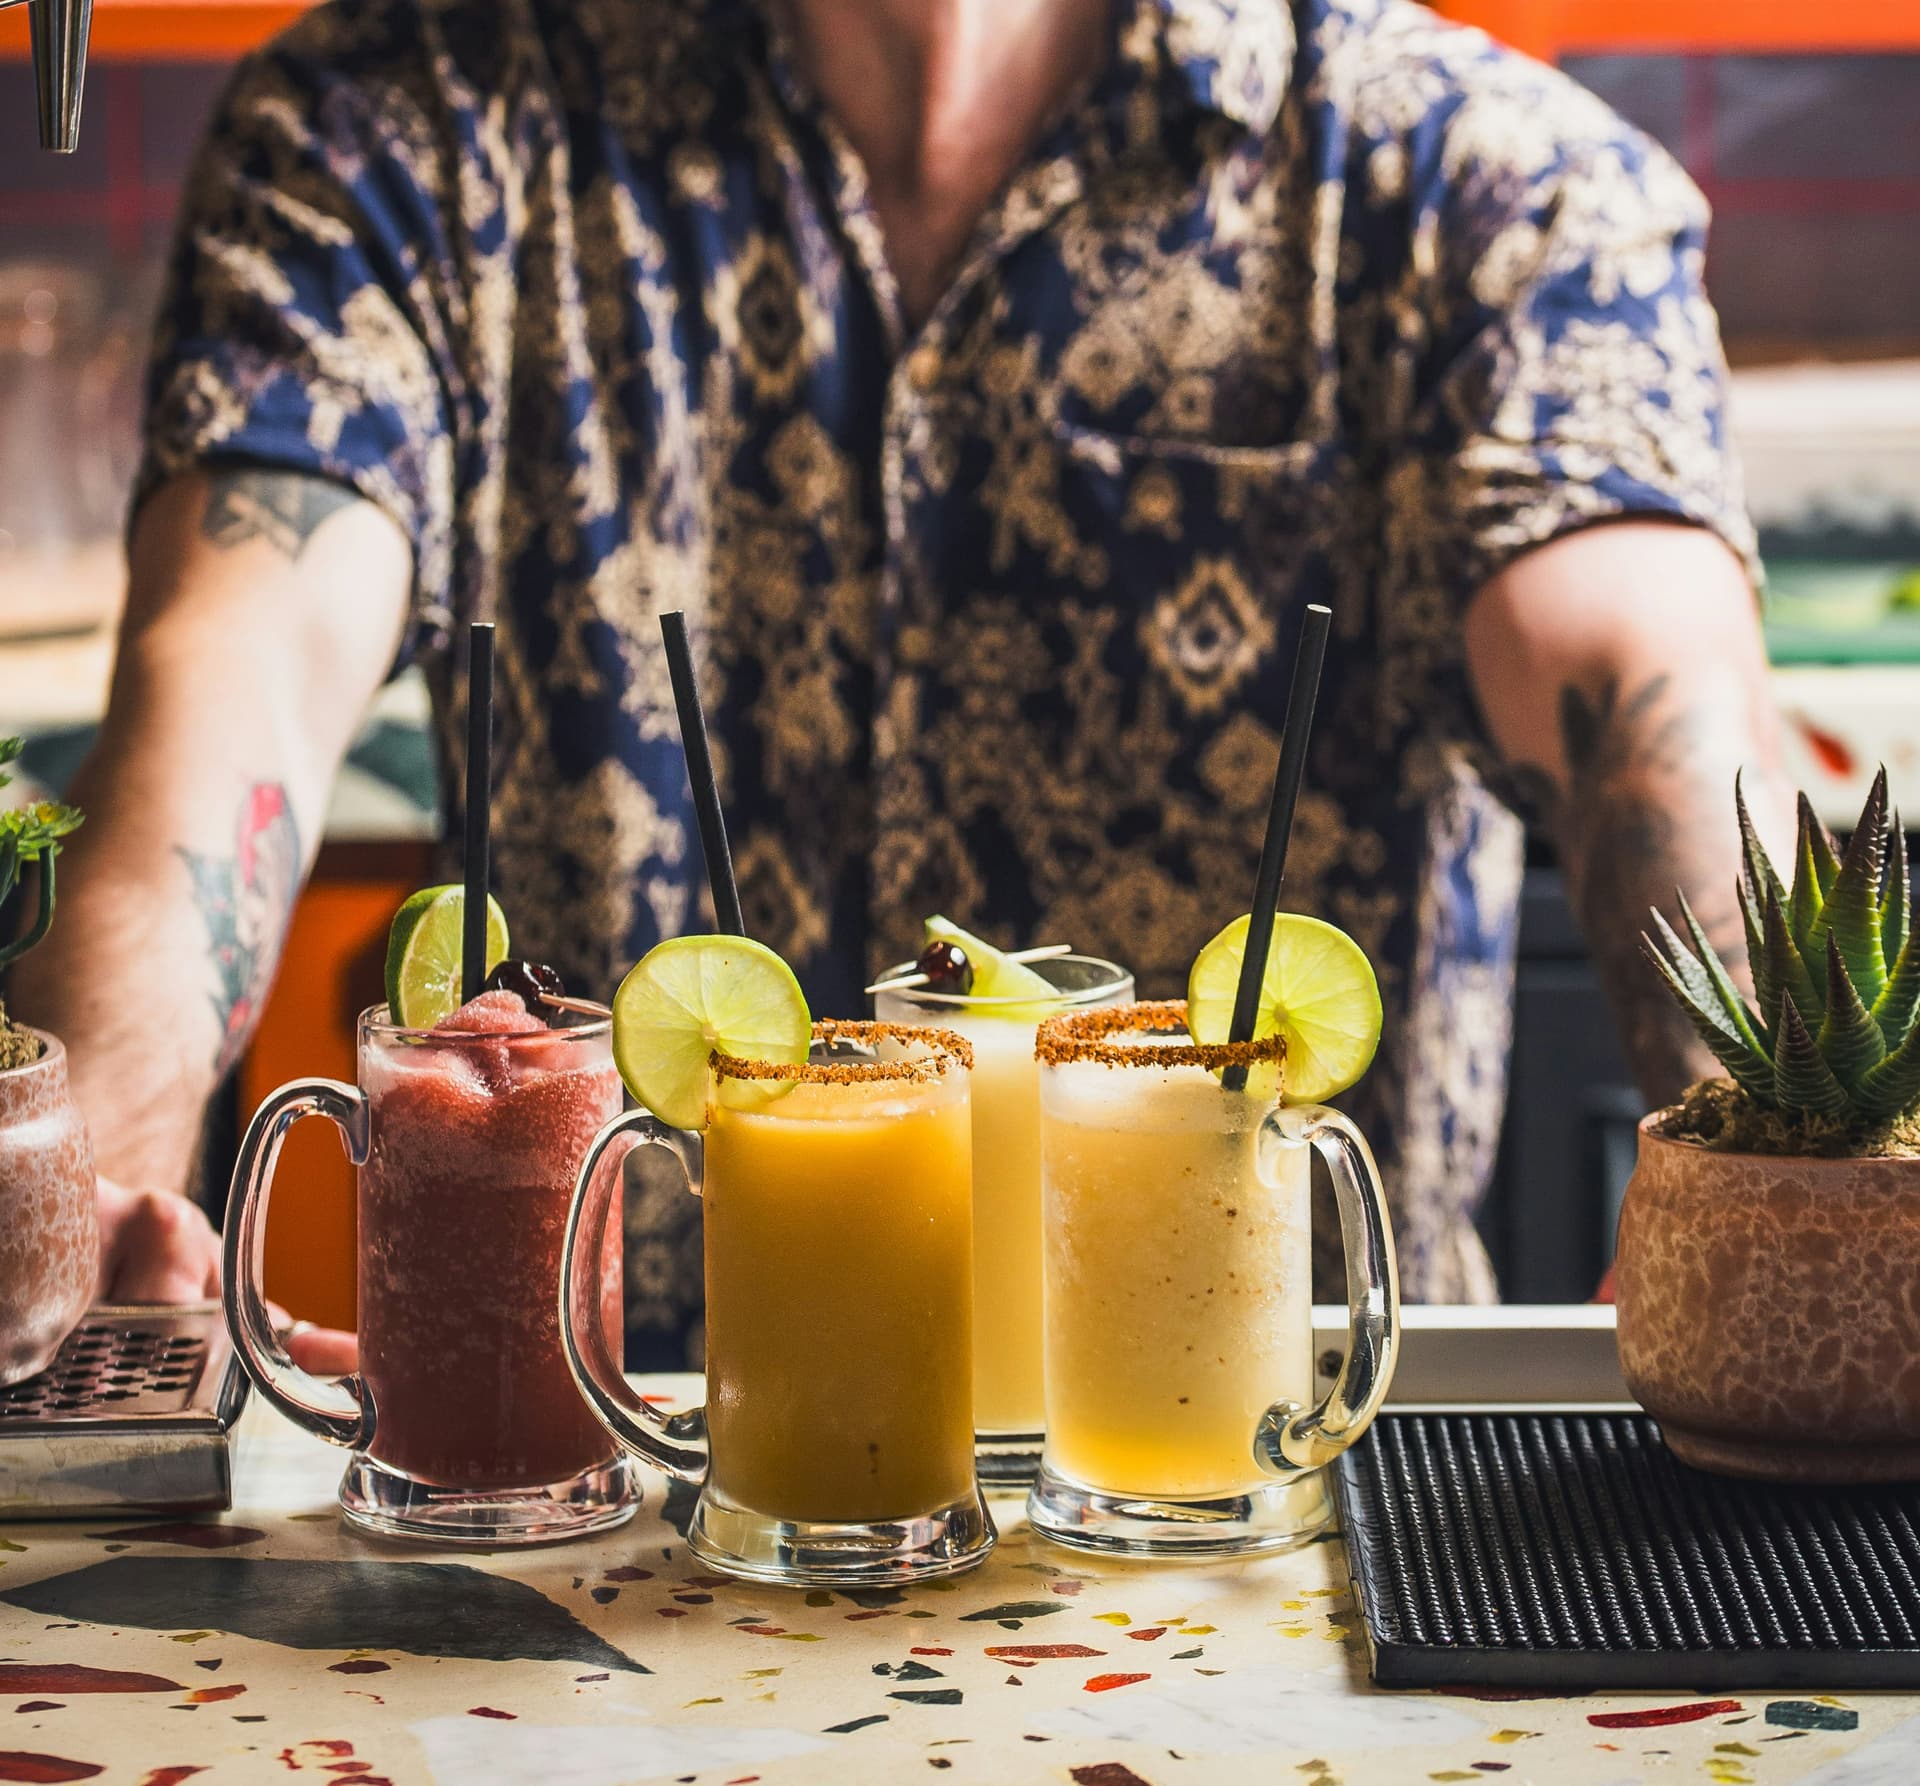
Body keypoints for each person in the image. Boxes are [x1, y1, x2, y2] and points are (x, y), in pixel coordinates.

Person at [13, 0, 1792, 1358]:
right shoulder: (397, 132)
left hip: (1259, 1501)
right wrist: (62, 1200)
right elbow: (222, 693)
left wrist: (1801, 1171)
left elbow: (1648, 689)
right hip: (636, 1518)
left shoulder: (1480, 187)